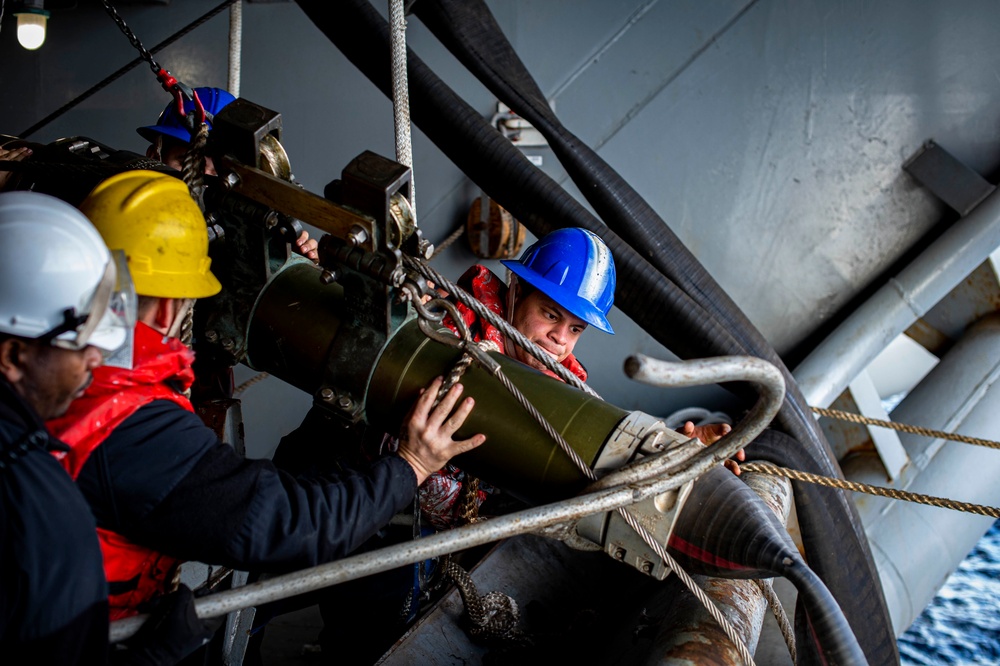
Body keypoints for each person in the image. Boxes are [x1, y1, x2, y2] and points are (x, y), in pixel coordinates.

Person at [45, 170, 485, 628]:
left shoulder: (39, 365)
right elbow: (290, 525)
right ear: (167, 306)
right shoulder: (135, 428)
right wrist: (411, 465)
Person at [0, 191, 210, 665]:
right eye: (81, 342)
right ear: (13, 357)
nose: (97, 358)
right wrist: (155, 658)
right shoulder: (38, 511)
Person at [137, 86, 319, 261]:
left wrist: (290, 261)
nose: (203, 182)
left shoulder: (247, 238)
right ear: (154, 157)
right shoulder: (122, 220)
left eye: (220, 171)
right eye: (187, 164)